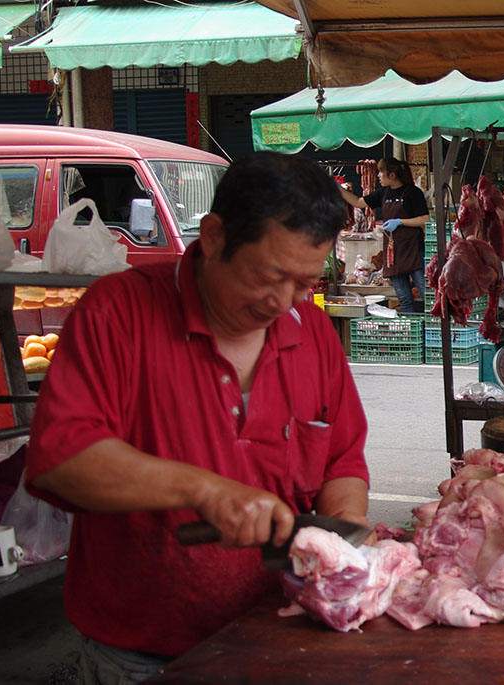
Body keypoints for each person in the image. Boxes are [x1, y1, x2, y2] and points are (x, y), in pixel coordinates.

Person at [25, 152, 370, 683]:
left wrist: (339, 544)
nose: (283, 302)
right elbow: (62, 458)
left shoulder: (314, 333)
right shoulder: (119, 313)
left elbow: (343, 459)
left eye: (304, 282)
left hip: (288, 636)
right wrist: (205, 491)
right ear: (213, 237)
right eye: (269, 276)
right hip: (145, 656)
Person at [338, 157, 430, 311]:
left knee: (427, 296)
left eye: (381, 173)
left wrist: (400, 221)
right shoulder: (383, 193)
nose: (379, 176)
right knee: (404, 299)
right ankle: (411, 332)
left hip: (413, 251)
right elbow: (358, 202)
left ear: (392, 175)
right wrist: (338, 190)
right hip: (392, 254)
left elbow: (425, 219)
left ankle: (433, 332)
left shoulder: (413, 193)